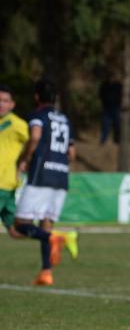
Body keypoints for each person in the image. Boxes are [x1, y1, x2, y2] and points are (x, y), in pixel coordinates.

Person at [13, 80, 79, 286]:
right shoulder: (65, 120)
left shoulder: (38, 116)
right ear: (56, 98)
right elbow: (72, 154)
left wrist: (23, 159)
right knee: (46, 224)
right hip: (61, 176)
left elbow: (35, 137)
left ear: (36, 97)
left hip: (41, 174)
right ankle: (46, 272)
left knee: (20, 225)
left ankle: (60, 239)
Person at [0, 85, 30, 239]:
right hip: (7, 187)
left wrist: (25, 161)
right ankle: (57, 238)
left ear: (12, 104)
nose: (1, 104)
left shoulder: (18, 124)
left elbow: (34, 143)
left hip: (4, 183)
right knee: (15, 231)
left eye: (5, 101)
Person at [98, 70, 122, 144]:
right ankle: (103, 140)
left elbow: (122, 95)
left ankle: (117, 140)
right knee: (105, 125)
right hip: (106, 108)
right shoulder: (104, 85)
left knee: (117, 125)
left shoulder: (118, 85)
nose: (111, 78)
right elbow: (100, 95)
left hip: (116, 107)